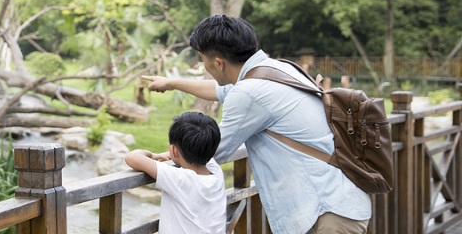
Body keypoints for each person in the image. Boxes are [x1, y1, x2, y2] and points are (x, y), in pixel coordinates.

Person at [142, 15, 370, 234]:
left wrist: (168, 155)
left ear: (219, 63)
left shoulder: (250, 92)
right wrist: (171, 83)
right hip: (340, 201)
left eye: (203, 60)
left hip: (323, 212)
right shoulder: (277, 69)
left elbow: (207, 151)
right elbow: (221, 90)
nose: (204, 67)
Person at [125, 111, 226, 234]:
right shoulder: (215, 170)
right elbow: (202, 152)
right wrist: (172, 154)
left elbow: (132, 157)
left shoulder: (181, 179)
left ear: (174, 149)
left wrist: (153, 155)